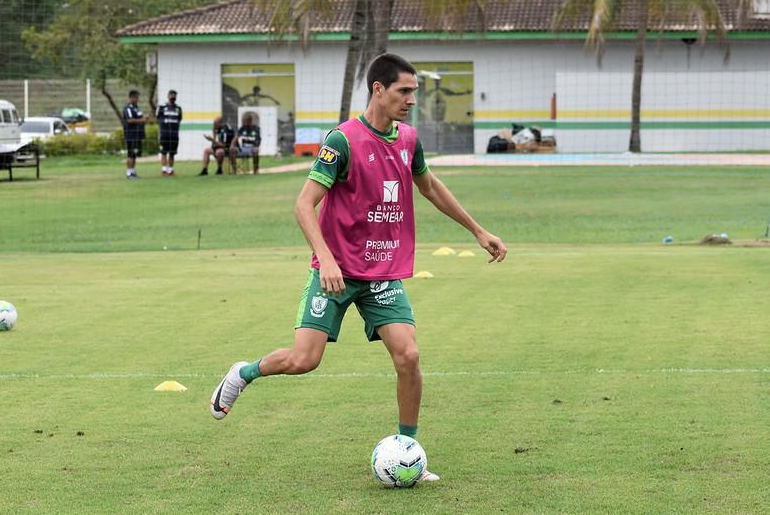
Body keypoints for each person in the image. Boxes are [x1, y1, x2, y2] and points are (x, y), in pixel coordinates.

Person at [209, 54, 507, 482]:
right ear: (378, 89)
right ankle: (244, 372)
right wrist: (327, 258)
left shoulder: (408, 140)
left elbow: (430, 187)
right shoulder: (343, 140)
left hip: (382, 273)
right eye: (404, 91)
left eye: (414, 92)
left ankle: (408, 451)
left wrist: (478, 230)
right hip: (335, 272)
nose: (411, 100)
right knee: (304, 360)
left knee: (409, 355)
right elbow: (304, 205)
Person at [156, 90, 182, 177]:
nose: (173, 96)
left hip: (174, 134)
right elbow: (158, 118)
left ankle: (170, 171)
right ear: (168, 96)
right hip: (164, 134)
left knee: (172, 153)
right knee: (164, 152)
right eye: (171, 94)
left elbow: (179, 119)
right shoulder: (162, 107)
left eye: (175, 95)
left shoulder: (178, 108)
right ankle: (164, 170)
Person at [122, 90, 147, 179]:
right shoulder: (128, 108)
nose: (137, 99)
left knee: (135, 154)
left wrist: (144, 118)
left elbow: (139, 118)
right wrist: (142, 120)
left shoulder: (137, 108)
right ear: (131, 98)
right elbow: (129, 120)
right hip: (131, 135)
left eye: (137, 97)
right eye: (135, 97)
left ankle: (133, 172)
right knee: (130, 154)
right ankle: (128, 173)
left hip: (138, 135)